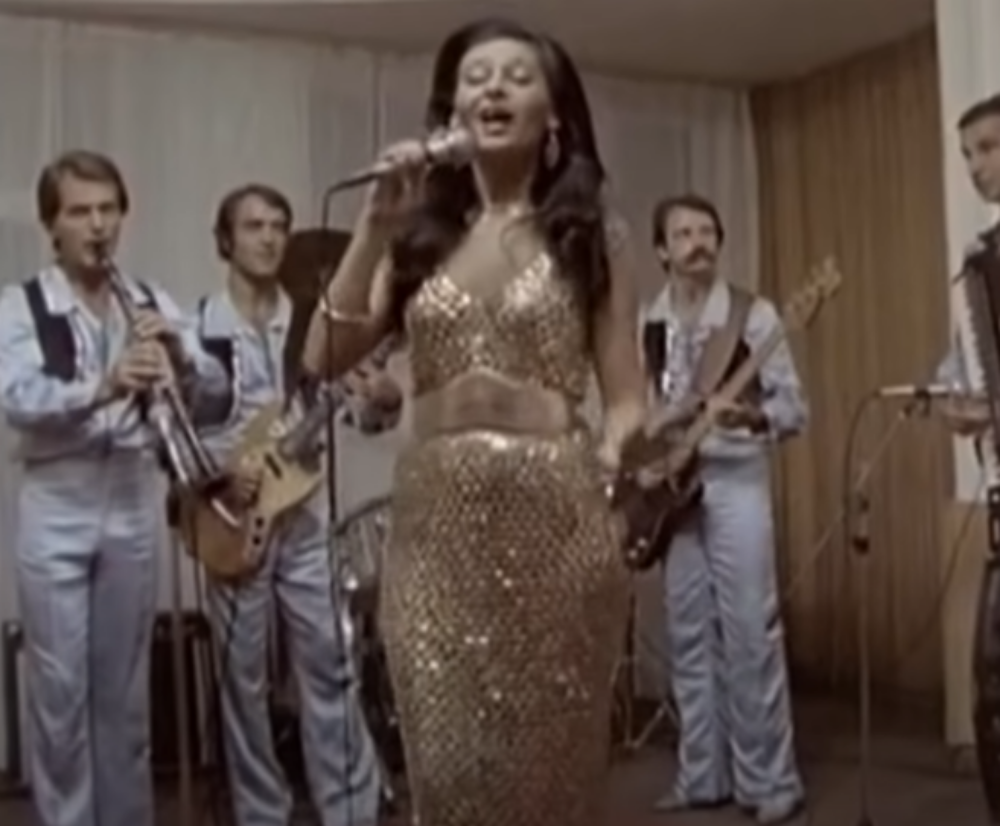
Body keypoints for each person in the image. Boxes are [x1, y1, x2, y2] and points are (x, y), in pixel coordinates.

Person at [299, 17, 646, 826]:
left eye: (517, 77)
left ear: (553, 115)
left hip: (558, 518)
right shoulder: (417, 237)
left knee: (553, 773)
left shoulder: (591, 233)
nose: (493, 88)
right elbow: (322, 352)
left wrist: (612, 450)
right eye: (475, 77)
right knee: (449, 767)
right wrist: (373, 228)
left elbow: (628, 394)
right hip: (434, 532)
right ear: (451, 110)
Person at [0, 150, 230, 826]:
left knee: (126, 694)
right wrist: (103, 386)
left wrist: (182, 356)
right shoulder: (21, 304)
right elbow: (16, 398)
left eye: (108, 210)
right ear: (52, 225)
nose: (97, 225)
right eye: (80, 212)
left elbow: (215, 397)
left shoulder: (150, 300)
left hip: (132, 492)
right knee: (60, 694)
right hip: (59, 496)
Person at [189, 184, 396, 826]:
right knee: (242, 681)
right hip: (233, 519)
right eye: (254, 226)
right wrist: (217, 477)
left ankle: (351, 809)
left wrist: (382, 400)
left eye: (279, 225)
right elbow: (173, 432)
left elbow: (364, 415)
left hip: (306, 516)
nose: (270, 237)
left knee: (332, 664)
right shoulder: (197, 329)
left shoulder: (314, 327)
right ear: (225, 241)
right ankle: (261, 813)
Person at [643, 193, 806, 824]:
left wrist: (750, 416)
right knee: (688, 635)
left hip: (736, 481)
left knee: (749, 632)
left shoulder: (753, 315)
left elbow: (794, 409)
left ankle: (770, 781)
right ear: (662, 250)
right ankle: (702, 775)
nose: (698, 243)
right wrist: (652, 448)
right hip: (674, 491)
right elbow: (643, 414)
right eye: (683, 234)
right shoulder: (651, 321)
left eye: (707, 231)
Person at [936, 92, 1000, 436]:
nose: (974, 168)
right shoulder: (981, 257)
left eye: (987, 148)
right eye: (967, 155)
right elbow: (967, 355)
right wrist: (955, 390)